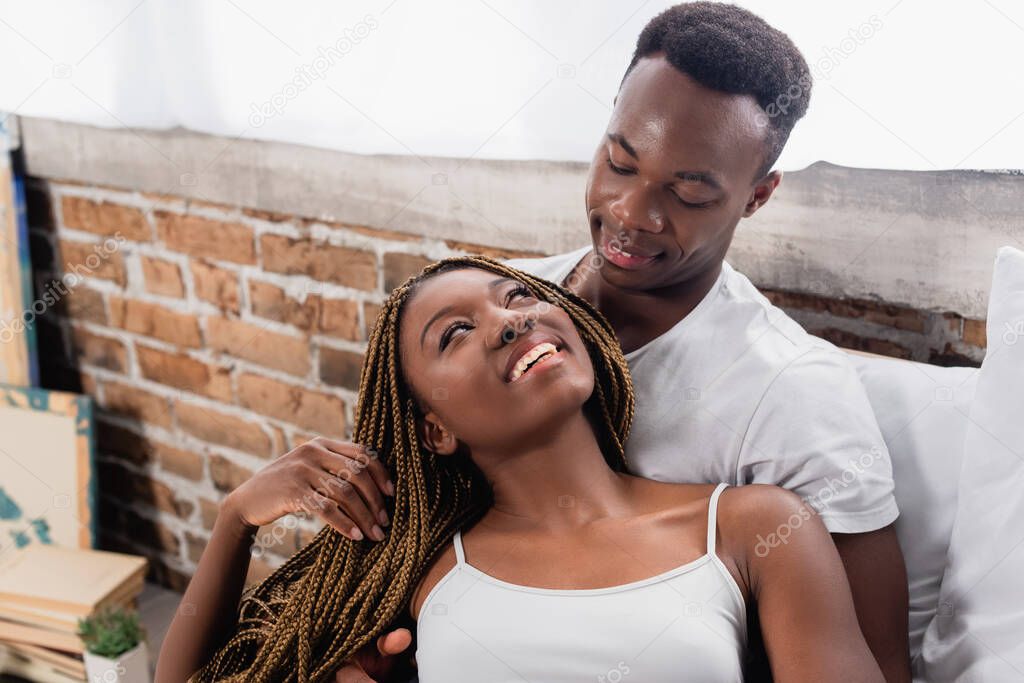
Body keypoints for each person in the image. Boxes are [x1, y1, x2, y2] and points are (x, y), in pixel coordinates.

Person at [335, 3, 912, 681]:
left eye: (689, 191)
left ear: (757, 196)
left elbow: (881, 664)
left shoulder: (796, 397)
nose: (632, 214)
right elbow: (398, 535)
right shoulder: (515, 306)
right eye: (620, 161)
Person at [156, 256, 885, 682]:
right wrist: (235, 516)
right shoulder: (424, 558)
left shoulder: (757, 526)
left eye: (519, 297)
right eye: (457, 334)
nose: (511, 321)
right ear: (433, 429)